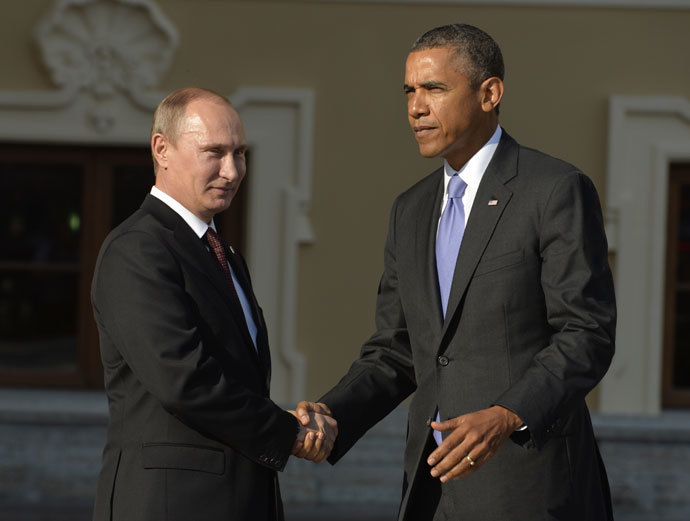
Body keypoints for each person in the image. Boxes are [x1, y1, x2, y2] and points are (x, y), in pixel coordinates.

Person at [296, 24, 616, 520]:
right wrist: (330, 416)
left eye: (434, 89)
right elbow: (397, 351)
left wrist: (507, 415)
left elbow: (587, 333)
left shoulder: (554, 190)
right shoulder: (410, 209)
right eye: (409, 91)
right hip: (429, 493)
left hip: (529, 490)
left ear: (489, 93)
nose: (415, 107)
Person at [91, 87, 336, 521]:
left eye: (240, 153)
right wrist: (288, 432)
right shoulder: (138, 249)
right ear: (162, 149)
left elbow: (239, 377)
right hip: (171, 504)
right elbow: (184, 380)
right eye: (214, 152)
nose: (232, 170)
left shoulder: (220, 251)